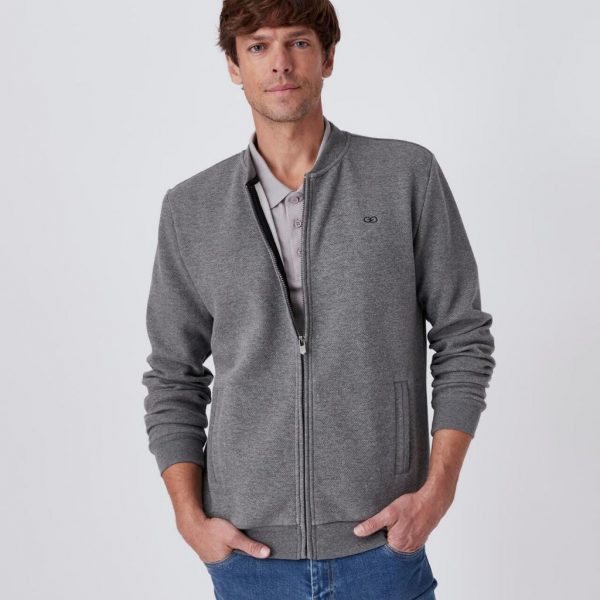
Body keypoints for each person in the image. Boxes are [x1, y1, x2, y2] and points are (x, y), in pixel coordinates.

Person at [141, 1, 496, 598]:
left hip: (383, 545)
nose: (280, 63)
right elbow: (174, 375)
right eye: (258, 46)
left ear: (327, 58)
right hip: (248, 557)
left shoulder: (406, 176)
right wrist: (190, 519)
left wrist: (437, 493)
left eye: (299, 42)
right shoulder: (191, 209)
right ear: (234, 66)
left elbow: (464, 338)